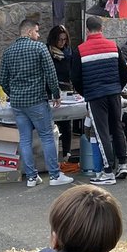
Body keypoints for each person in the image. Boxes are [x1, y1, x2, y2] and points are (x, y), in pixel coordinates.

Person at [0, 18, 74, 189]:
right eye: (37, 31)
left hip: (18, 103)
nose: (39, 35)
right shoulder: (39, 48)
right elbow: (50, 74)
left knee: (24, 139)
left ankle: (31, 177)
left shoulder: (8, 51)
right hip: (37, 100)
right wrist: (56, 94)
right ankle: (54, 175)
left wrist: (14, 94)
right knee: (47, 136)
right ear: (29, 31)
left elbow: (3, 80)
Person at [71, 15, 127, 185]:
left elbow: (75, 77)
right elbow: (123, 71)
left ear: (87, 30)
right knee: (117, 128)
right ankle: (123, 164)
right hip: (114, 93)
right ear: (102, 28)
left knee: (102, 132)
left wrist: (85, 93)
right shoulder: (113, 46)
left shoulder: (80, 50)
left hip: (95, 95)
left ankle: (107, 171)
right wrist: (117, 87)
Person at [46, 24, 76, 162]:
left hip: (65, 89)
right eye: (59, 40)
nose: (62, 43)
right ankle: (51, 156)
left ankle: (67, 153)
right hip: (48, 90)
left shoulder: (68, 52)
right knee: (50, 124)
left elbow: (71, 71)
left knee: (66, 121)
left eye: (64, 40)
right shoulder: (47, 52)